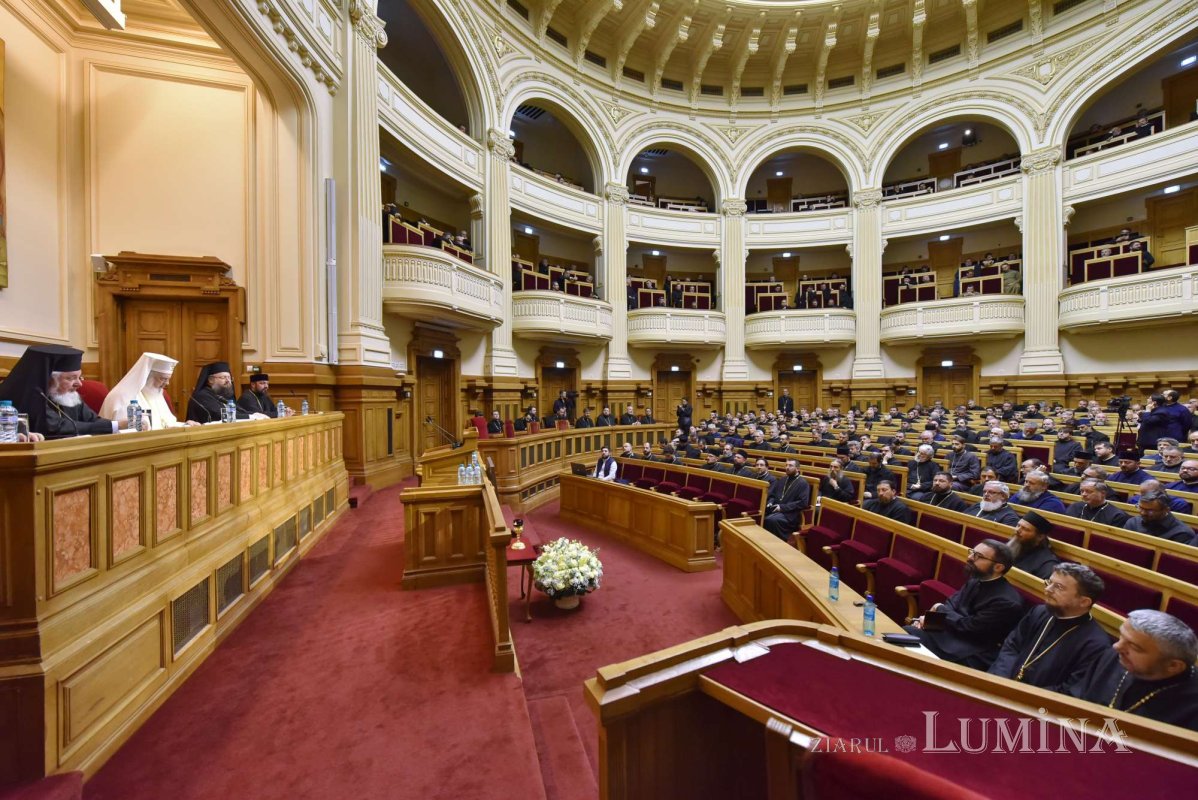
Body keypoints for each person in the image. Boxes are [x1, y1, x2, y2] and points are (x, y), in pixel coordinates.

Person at [988, 563, 1110, 694]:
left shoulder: (1096, 645)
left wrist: (1020, 694)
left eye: (1058, 587)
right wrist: (1001, 679)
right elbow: (1012, 646)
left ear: (1084, 602)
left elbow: (1070, 690)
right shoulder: (1039, 612)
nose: (1048, 589)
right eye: (1049, 582)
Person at [904, 539, 1025, 669]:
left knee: (907, 637)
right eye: (972, 552)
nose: (970, 558)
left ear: (998, 567)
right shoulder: (976, 580)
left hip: (972, 651)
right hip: (952, 633)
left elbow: (970, 627)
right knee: (906, 633)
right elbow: (951, 604)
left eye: (978, 556)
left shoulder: (1007, 602)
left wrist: (939, 609)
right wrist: (930, 622)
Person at [1076, 610, 1198, 731]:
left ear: (1173, 666)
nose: (1117, 647)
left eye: (1134, 647)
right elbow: (1077, 698)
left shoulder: (1192, 707)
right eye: (1121, 637)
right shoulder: (1114, 657)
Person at [0, 345, 133, 438]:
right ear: (48, 378)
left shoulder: (69, 396)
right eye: (70, 378)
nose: (79, 384)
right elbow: (55, 428)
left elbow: (93, 420)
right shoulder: (30, 396)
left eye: (79, 377)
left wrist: (121, 425)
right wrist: (116, 425)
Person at [99, 352, 198, 430]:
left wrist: (185, 425)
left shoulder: (156, 394)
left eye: (168, 379)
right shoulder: (122, 396)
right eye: (163, 379)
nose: (167, 383)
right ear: (146, 376)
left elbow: (165, 424)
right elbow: (127, 433)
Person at [188, 362, 265, 424]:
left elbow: (239, 411)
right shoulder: (202, 396)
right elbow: (220, 415)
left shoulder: (221, 396)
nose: (228, 380)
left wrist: (254, 414)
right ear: (211, 380)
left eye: (229, 377)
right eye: (223, 377)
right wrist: (251, 417)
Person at [763, 460, 811, 541]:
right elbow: (773, 495)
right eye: (786, 465)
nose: (787, 467)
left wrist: (782, 507)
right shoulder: (783, 479)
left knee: (771, 520)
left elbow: (803, 503)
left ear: (798, 468)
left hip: (791, 513)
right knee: (763, 514)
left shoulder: (803, 483)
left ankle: (777, 542)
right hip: (777, 509)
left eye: (790, 466)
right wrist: (770, 502)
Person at [1124, 492, 1195, 544]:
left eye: (1149, 510)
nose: (1143, 513)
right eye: (1140, 508)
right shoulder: (1133, 522)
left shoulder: (1182, 533)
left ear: (1166, 510)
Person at [1007, 511, 1061, 579]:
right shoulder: (1014, 545)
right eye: (1018, 525)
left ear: (1040, 537)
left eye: (1025, 529)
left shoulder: (1047, 564)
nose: (1017, 530)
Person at [1065, 480, 1130, 527]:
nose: (1084, 494)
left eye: (1089, 491)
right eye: (1082, 491)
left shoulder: (1117, 516)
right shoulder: (1075, 506)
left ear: (1103, 494)